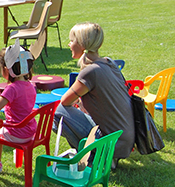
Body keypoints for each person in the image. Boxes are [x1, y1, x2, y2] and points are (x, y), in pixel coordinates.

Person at [54, 22, 134, 167]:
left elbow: (65, 102)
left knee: (58, 112)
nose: (69, 44)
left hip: (112, 142)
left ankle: (92, 158)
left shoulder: (90, 71)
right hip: (125, 139)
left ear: (82, 44)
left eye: (72, 41)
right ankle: (98, 156)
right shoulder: (109, 62)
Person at [0, 39, 36, 175]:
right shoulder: (30, 86)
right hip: (29, 132)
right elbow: (19, 104)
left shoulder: (12, 89)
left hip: (17, 133)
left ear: (6, 69)